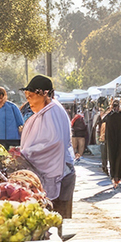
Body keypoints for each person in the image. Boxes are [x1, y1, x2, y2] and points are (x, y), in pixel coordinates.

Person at [13, 75, 76, 218]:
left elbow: (54, 144)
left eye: (31, 96)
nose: (28, 101)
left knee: (56, 220)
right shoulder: (47, 111)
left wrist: (25, 153)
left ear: (44, 93)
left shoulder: (53, 112)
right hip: (57, 175)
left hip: (60, 176)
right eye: (27, 97)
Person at [100, 98, 121, 188]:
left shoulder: (109, 115)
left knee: (112, 157)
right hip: (120, 138)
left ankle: (114, 177)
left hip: (110, 139)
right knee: (118, 158)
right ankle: (117, 177)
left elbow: (102, 120)